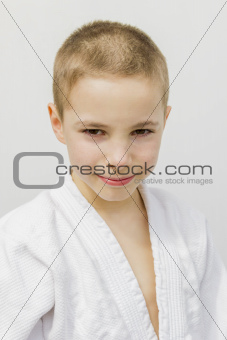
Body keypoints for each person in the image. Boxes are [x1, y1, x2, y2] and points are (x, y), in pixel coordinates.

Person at [0, 20, 227, 340]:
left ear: (165, 121)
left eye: (141, 131)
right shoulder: (25, 241)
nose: (119, 159)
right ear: (58, 123)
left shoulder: (189, 228)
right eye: (94, 132)